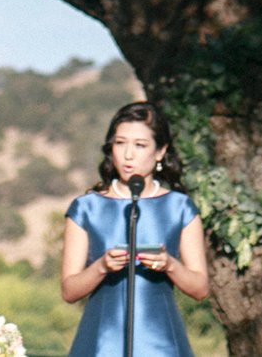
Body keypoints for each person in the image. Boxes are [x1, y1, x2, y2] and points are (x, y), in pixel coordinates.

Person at [60, 102, 213, 357]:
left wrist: (169, 265)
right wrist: (102, 266)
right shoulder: (86, 208)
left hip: (161, 344)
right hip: (101, 344)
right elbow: (69, 291)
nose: (128, 155)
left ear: (160, 151)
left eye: (140, 145)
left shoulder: (180, 208)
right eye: (120, 143)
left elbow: (200, 288)